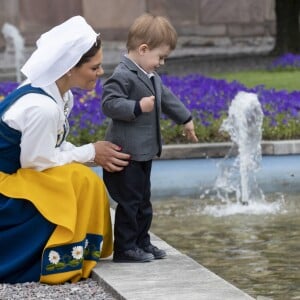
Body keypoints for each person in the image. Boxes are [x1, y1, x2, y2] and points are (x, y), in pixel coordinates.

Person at [0, 16, 130, 284]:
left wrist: (89, 152)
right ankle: (59, 261)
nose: (101, 72)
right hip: (4, 187)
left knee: (83, 180)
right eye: (94, 67)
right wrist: (91, 152)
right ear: (70, 67)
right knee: (79, 181)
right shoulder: (43, 107)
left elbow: (52, 147)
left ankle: (81, 250)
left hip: (18, 173)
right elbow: (38, 164)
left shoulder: (58, 93)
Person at [101, 13, 198, 263]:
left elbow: (166, 99)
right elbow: (109, 103)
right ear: (144, 49)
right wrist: (136, 106)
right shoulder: (123, 74)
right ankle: (125, 248)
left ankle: (142, 241)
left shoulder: (150, 76)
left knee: (144, 201)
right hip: (126, 153)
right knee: (129, 202)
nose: (162, 63)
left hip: (144, 152)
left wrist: (185, 119)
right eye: (160, 57)